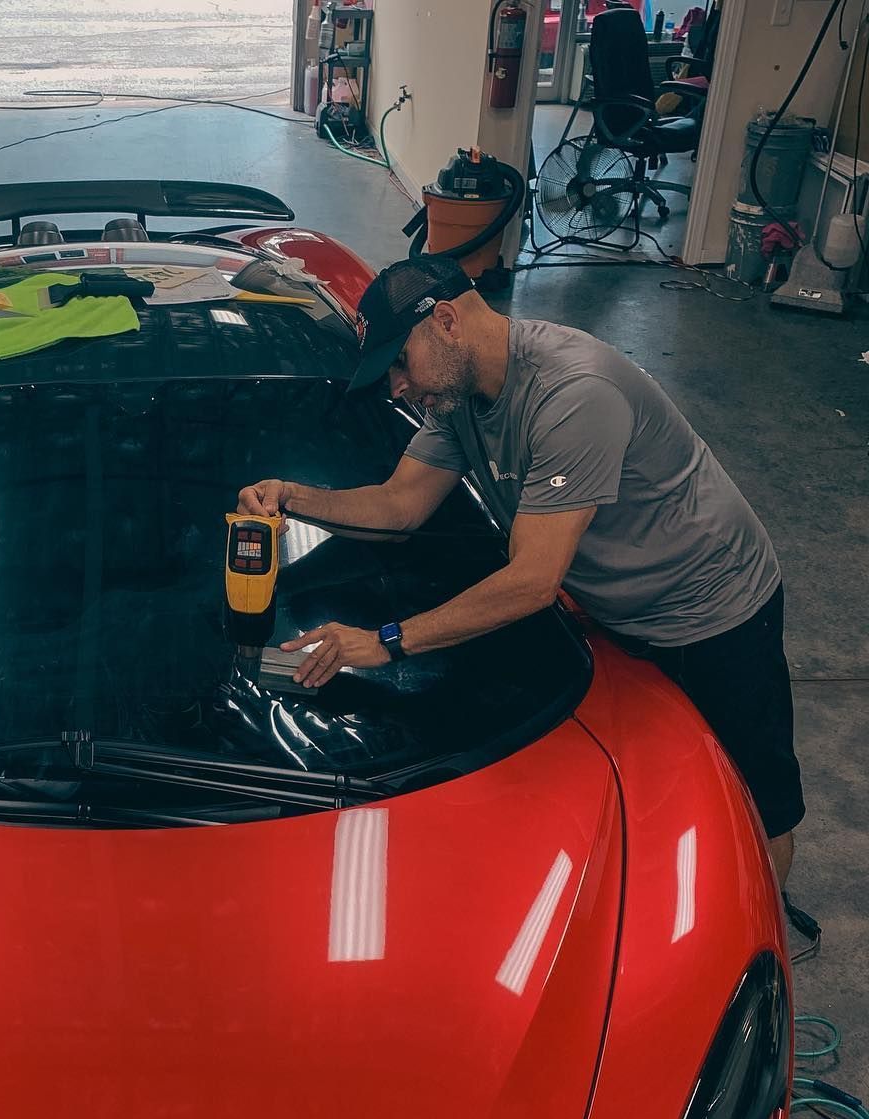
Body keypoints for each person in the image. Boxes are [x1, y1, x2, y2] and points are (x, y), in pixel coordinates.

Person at [237, 254, 804, 887]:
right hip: (619, 607)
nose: (397, 386)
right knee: (659, 799)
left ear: (446, 321)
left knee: (758, 804)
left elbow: (534, 579)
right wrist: (292, 495)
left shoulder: (574, 394)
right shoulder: (460, 400)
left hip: (713, 608)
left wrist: (385, 642)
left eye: (400, 363)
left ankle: (770, 915)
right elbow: (399, 507)